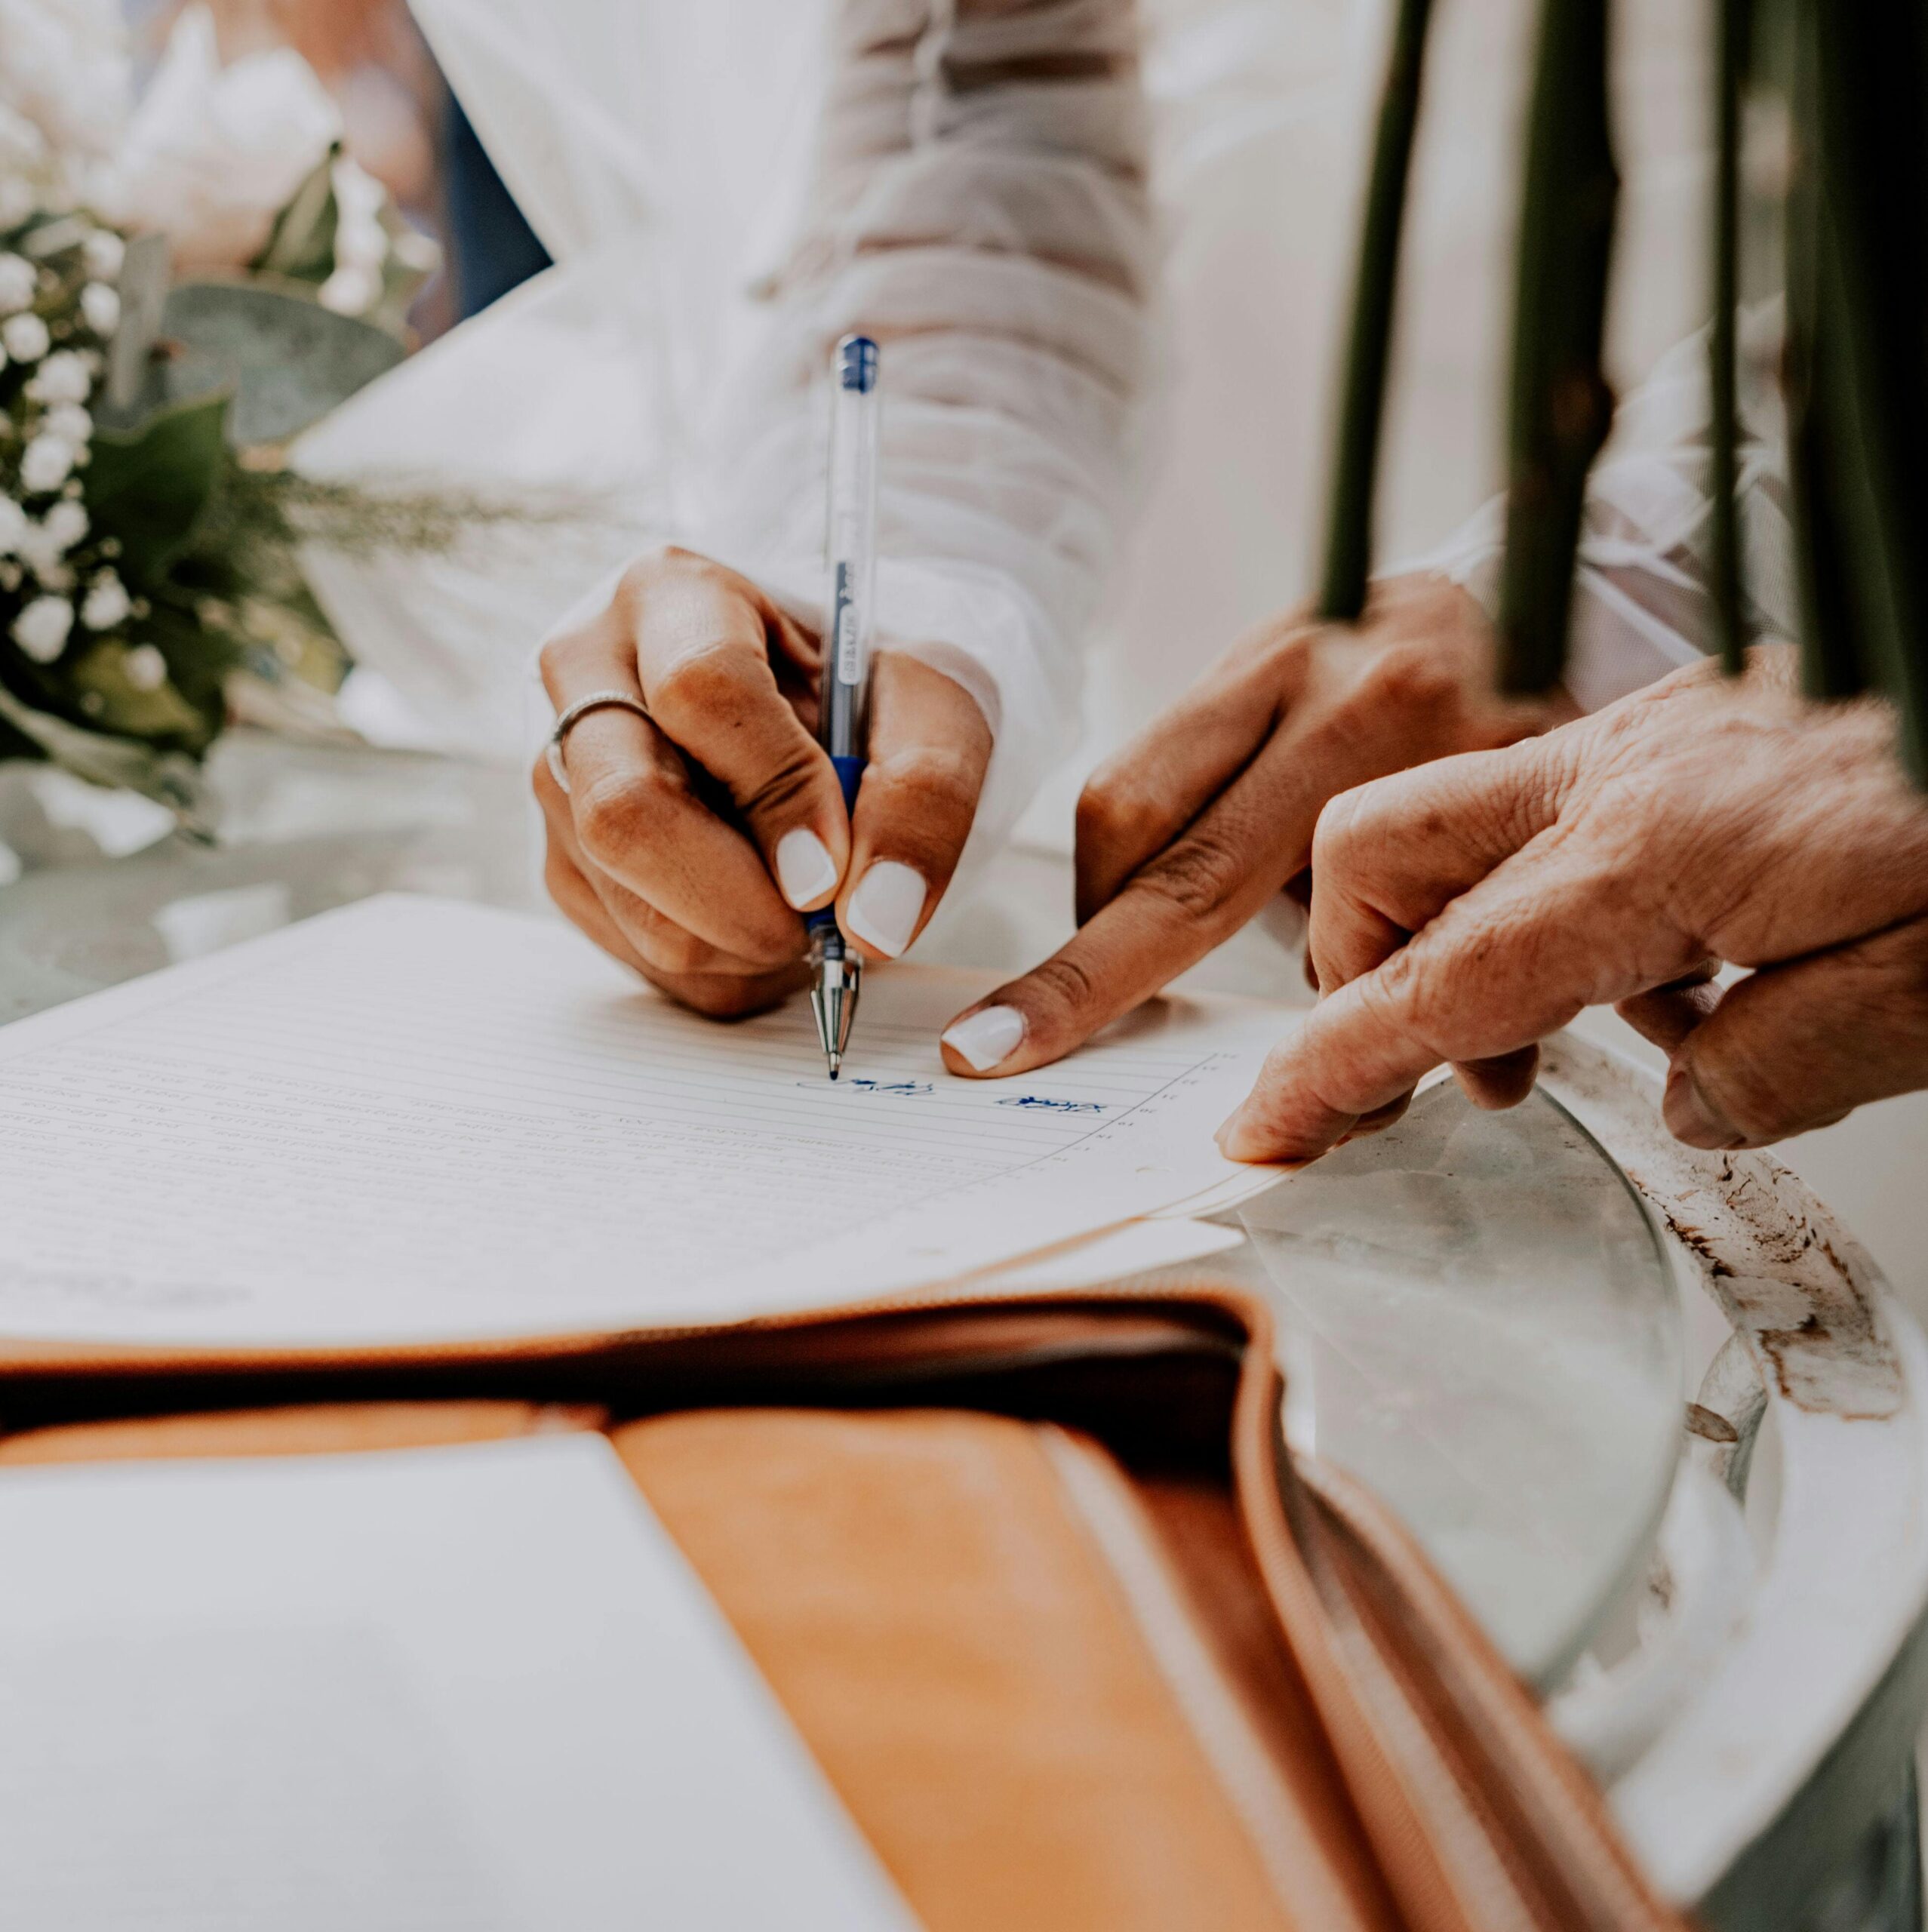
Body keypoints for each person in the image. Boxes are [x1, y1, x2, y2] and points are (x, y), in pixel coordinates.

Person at [537, 0, 1916, 1158]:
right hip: (1195, 607)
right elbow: (991, 85)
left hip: (1818, 620)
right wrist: (928, 588)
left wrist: (1659, 588)